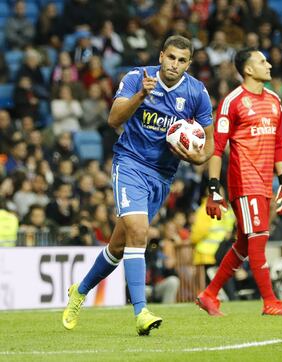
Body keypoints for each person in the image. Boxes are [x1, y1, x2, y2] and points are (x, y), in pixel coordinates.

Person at [62, 35, 214, 335]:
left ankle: (79, 291)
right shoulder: (137, 78)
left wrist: (198, 158)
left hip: (162, 176)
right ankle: (141, 311)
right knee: (140, 232)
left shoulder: (197, 92)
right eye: (171, 57)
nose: (175, 64)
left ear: (189, 63)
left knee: (118, 246)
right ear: (161, 55)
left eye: (182, 60)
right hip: (130, 163)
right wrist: (140, 97)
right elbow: (113, 118)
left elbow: (209, 143)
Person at [195, 47, 282, 317]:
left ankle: (209, 295)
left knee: (244, 243)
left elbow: (278, 144)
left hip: (265, 182)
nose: (269, 65)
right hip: (244, 181)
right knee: (258, 239)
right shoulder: (233, 101)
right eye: (263, 61)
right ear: (248, 69)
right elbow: (217, 148)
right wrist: (214, 188)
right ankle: (270, 301)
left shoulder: (275, 100)